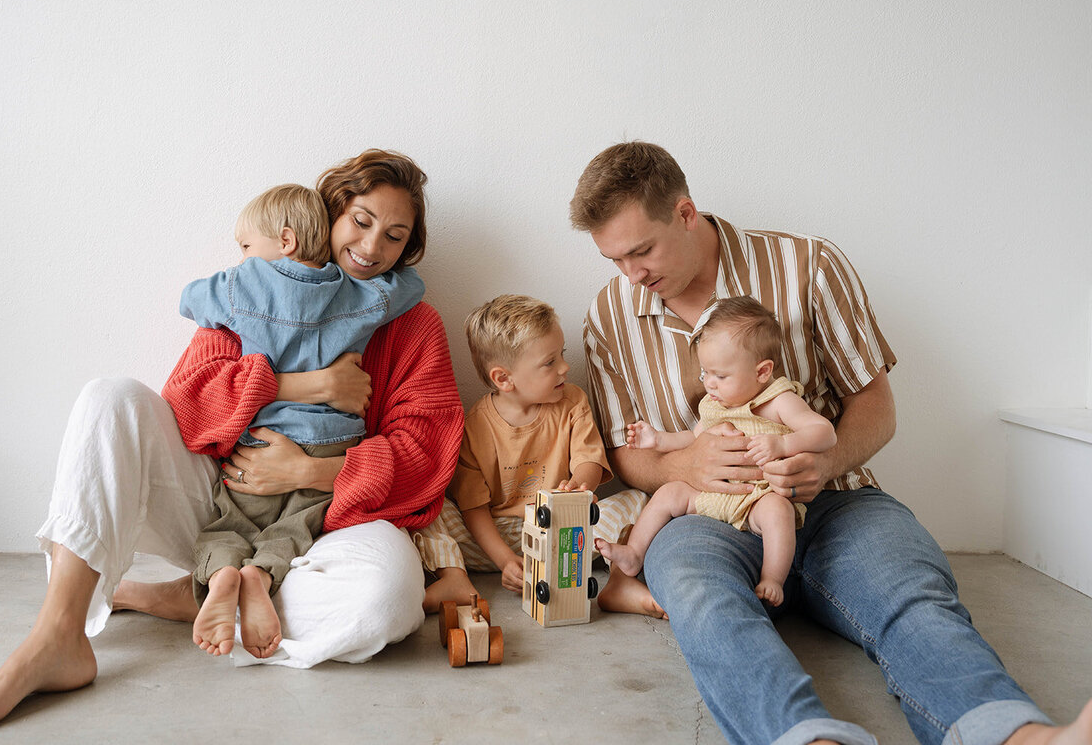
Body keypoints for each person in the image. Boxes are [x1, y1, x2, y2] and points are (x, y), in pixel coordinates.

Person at [571, 141, 1092, 745]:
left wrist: (822, 461)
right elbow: (625, 455)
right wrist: (686, 461)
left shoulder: (807, 266)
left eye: (642, 251)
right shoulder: (610, 314)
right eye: (616, 260)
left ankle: (1015, 736)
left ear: (685, 214)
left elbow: (877, 408)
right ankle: (805, 738)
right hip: (704, 516)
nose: (633, 275)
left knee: (910, 592)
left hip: (837, 501)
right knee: (700, 600)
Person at [0, 149, 464, 739]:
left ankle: (203, 592)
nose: (372, 248)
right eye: (361, 221)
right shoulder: (253, 289)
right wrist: (302, 383)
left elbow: (428, 452)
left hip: (326, 525)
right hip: (222, 498)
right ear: (329, 212)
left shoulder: (413, 322)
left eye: (394, 237)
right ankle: (58, 635)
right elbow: (188, 403)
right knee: (109, 398)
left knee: (390, 594)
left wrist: (311, 472)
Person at [180, 183, 425, 659]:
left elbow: (191, 299)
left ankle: (222, 574)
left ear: (286, 241)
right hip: (332, 440)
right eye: (360, 222)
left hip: (260, 437)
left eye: (247, 245)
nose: (373, 247)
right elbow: (412, 287)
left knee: (230, 520)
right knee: (297, 527)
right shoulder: (358, 296)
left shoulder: (241, 285)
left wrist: (239, 275)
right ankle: (261, 576)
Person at [594, 295, 836, 607]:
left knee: (780, 512)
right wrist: (657, 440)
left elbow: (824, 433)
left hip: (757, 499)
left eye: (720, 376)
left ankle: (772, 578)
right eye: (704, 373)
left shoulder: (779, 401)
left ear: (762, 372)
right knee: (668, 493)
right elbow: (691, 439)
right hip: (713, 499)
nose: (709, 384)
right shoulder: (714, 404)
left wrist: (784, 444)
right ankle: (633, 553)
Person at [411, 294, 646, 612]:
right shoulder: (475, 426)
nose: (565, 367)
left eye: (561, 354)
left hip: (564, 535)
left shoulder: (572, 402)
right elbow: (474, 509)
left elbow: (588, 459)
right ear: (504, 378)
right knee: (426, 509)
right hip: (497, 537)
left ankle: (620, 581)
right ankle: (454, 577)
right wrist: (505, 560)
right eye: (550, 362)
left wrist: (580, 486)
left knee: (637, 500)